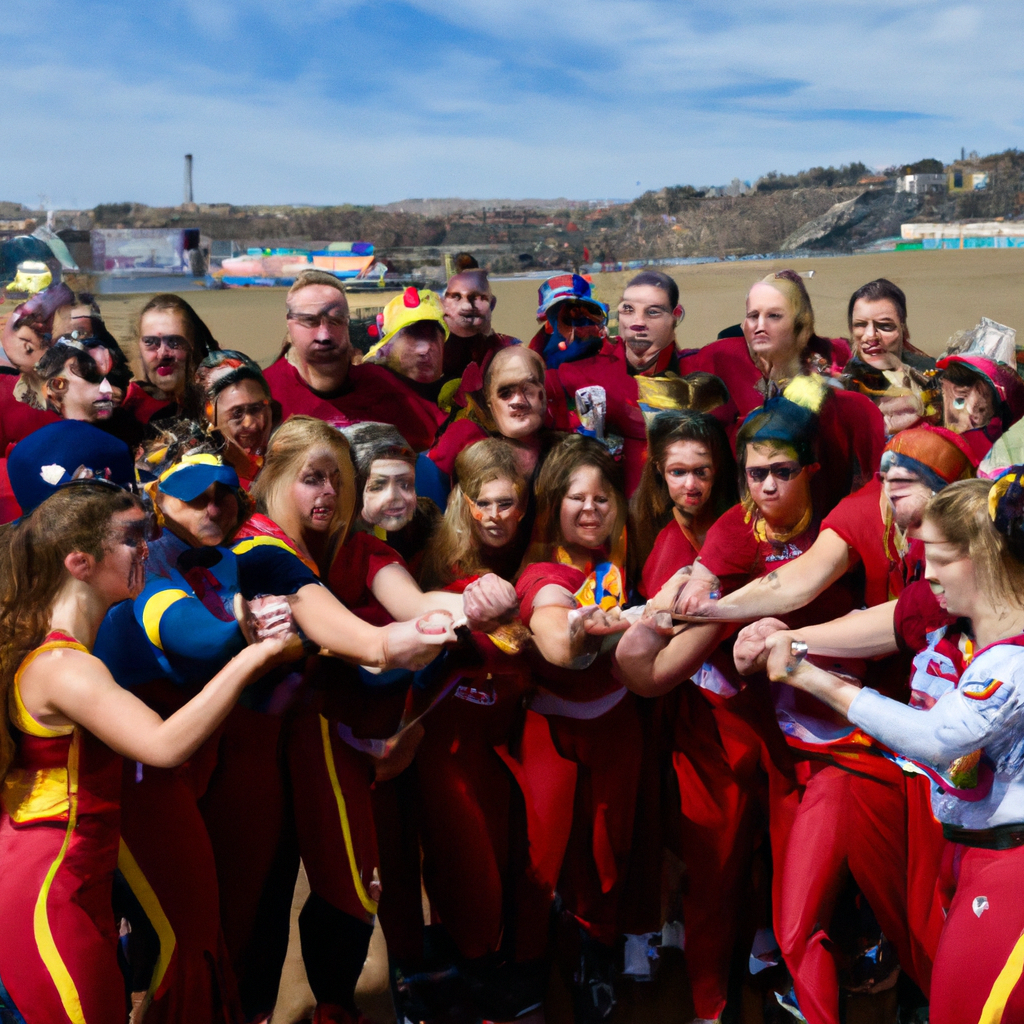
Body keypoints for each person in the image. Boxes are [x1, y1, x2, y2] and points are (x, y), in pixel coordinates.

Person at [0, 482, 297, 1024]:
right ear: (80, 563)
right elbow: (163, 746)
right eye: (132, 537)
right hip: (49, 892)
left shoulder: (62, 650)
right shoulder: (64, 665)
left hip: (70, 880)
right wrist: (253, 659)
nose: (148, 547)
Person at [759, 475, 1024, 1024]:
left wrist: (811, 678)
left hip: (1011, 868)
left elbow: (935, 739)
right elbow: (883, 623)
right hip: (970, 854)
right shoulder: (965, 626)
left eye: (942, 558)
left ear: (987, 559)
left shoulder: (1014, 660)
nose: (926, 574)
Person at [513, 434, 645, 1020]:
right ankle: (528, 969)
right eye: (575, 499)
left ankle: (596, 957)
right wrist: (573, 634)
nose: (589, 509)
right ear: (553, 505)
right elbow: (553, 629)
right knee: (544, 857)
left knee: (607, 852)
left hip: (618, 725)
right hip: (553, 731)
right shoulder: (542, 570)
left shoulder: (623, 559)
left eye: (600, 497)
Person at [678, 269, 884, 515]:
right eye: (753, 316)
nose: (760, 326)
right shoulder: (720, 358)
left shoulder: (834, 358)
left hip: (829, 511)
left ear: (800, 324)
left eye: (774, 316)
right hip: (744, 508)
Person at [264, 271, 446, 450]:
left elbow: (441, 443)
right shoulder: (266, 392)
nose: (324, 335)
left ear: (347, 323)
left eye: (335, 321)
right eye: (309, 321)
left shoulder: (381, 386)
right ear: (289, 323)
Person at [629, 408, 736, 598]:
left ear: (716, 468)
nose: (691, 485)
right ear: (659, 470)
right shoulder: (664, 540)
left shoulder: (738, 519)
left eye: (701, 471)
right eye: (678, 472)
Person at [427, 345, 557, 486]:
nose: (518, 401)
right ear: (490, 403)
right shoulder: (472, 445)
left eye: (527, 390)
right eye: (505, 393)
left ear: (543, 394)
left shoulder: (567, 452)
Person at [841, 278, 939, 435]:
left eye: (885, 326)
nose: (870, 336)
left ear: (903, 328)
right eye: (860, 325)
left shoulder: (930, 374)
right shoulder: (843, 384)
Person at [130, 293, 219, 422]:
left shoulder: (222, 401)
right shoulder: (128, 406)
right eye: (150, 342)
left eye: (175, 342)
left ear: (194, 345)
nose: (163, 354)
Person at [196, 349, 275, 488]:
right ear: (209, 419)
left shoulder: (288, 468)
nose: (250, 423)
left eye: (256, 409)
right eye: (237, 413)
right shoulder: (204, 483)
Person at [440, 268, 519, 377]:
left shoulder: (511, 348)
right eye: (457, 297)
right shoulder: (433, 349)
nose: (467, 306)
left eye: (476, 298)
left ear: (492, 304)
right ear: (444, 304)